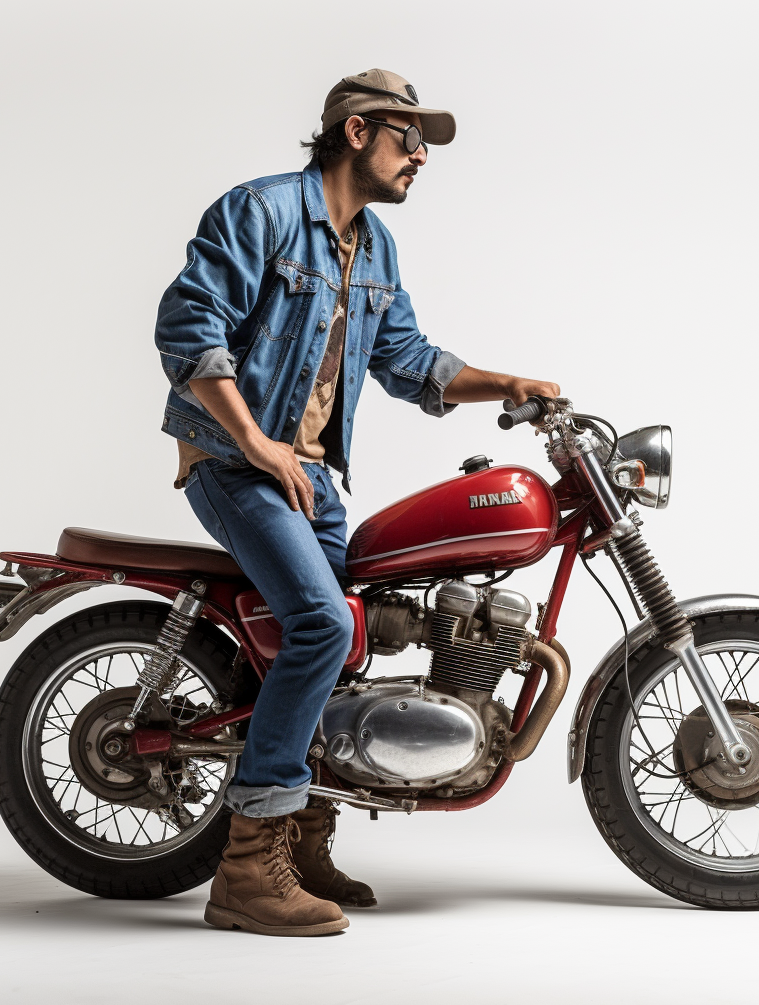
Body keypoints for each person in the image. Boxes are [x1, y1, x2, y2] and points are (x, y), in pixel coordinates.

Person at [154, 68, 560, 936]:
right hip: (236, 463)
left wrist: (509, 381)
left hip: (312, 477)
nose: (421, 156)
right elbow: (190, 330)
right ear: (356, 133)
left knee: (352, 633)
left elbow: (410, 359)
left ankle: (301, 836)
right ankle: (245, 868)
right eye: (409, 138)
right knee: (323, 627)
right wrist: (258, 445)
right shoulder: (259, 211)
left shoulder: (372, 247)